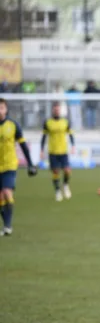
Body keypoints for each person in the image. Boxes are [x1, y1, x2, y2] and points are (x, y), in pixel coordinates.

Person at [0, 97, 38, 236]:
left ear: (6, 109)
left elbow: (23, 145)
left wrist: (30, 164)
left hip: (9, 165)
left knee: (7, 192)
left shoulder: (13, 125)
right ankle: (6, 226)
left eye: (1, 107)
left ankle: (8, 226)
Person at [41, 102, 75, 201]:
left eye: (58, 109)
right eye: (55, 109)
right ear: (52, 110)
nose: (56, 111)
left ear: (60, 110)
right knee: (55, 172)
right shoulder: (47, 122)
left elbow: (70, 134)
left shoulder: (65, 121)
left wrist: (73, 145)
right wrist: (41, 150)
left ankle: (65, 185)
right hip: (53, 151)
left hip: (63, 151)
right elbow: (44, 137)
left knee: (67, 170)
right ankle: (57, 191)